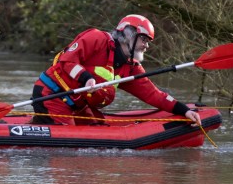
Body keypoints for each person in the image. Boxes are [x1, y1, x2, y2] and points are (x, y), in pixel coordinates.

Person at [30, 14, 201, 126]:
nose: (146, 46)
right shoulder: (96, 39)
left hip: (77, 104)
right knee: (70, 145)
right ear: (129, 34)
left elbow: (154, 94)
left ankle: (37, 122)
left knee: (98, 128)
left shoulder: (131, 67)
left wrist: (184, 110)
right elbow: (66, 61)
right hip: (52, 94)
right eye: (144, 39)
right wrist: (86, 78)